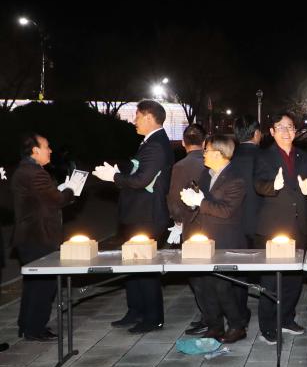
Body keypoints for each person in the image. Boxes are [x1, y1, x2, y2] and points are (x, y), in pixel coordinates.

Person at [94, 100, 174, 334]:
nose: (134, 120)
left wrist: (114, 178)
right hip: (138, 214)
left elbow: (142, 180)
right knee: (133, 265)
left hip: (147, 215)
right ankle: (136, 310)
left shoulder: (157, 145)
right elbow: (137, 169)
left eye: (137, 116)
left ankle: (152, 317)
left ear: (149, 117)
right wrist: (119, 169)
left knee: (145, 268)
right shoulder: (150, 142)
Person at [180, 135, 248, 343]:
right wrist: (191, 203)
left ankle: (237, 326)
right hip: (203, 238)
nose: (204, 154)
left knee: (222, 286)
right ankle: (214, 325)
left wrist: (199, 202)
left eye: (207, 150)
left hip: (225, 239)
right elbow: (200, 200)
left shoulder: (236, 178)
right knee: (202, 284)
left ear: (219, 153)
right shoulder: (206, 174)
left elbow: (227, 211)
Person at [254, 111, 307, 343]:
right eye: (281, 127)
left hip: (300, 225)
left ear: (295, 131)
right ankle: (268, 326)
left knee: (293, 279)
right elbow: (258, 184)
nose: (286, 131)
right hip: (274, 227)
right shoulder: (264, 156)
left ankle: (286, 318)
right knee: (271, 282)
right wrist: (272, 186)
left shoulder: (303, 156)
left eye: (290, 127)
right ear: (272, 131)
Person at [12, 133, 76, 341]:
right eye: (46, 147)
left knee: (33, 283)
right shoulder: (35, 173)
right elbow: (56, 200)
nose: (50, 150)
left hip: (29, 236)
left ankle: (27, 325)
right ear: (35, 151)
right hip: (39, 236)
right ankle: (35, 328)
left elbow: (42, 199)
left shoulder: (25, 170)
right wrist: (71, 189)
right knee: (44, 285)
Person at [167, 124, 208, 335]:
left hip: (192, 225)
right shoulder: (213, 161)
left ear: (183, 143)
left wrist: (177, 221)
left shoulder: (180, 166)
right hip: (215, 222)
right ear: (205, 141)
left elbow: (174, 200)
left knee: (197, 274)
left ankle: (207, 315)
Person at [227, 115, 262, 329]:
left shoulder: (230, 159)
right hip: (262, 222)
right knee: (270, 272)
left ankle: (239, 315)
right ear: (257, 134)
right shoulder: (265, 156)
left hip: (236, 223)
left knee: (237, 273)